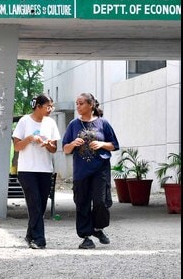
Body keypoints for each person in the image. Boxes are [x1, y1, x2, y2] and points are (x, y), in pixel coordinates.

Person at [62, 92, 120, 249]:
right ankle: (86, 237)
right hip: (81, 170)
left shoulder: (103, 123)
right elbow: (66, 149)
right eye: (77, 103)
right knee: (82, 203)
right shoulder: (73, 124)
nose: (78, 106)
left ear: (91, 105)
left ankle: (98, 228)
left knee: (101, 201)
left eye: (81, 103)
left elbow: (114, 144)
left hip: (100, 169)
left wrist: (102, 145)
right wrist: (73, 143)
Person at [12, 94, 60, 249]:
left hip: (45, 169)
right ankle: (39, 239)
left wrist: (47, 144)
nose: (50, 109)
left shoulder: (51, 123)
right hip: (27, 170)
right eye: (48, 106)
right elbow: (17, 146)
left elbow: (54, 149)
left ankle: (30, 235)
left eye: (51, 106)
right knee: (35, 204)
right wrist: (31, 138)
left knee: (41, 204)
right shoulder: (24, 121)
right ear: (38, 106)